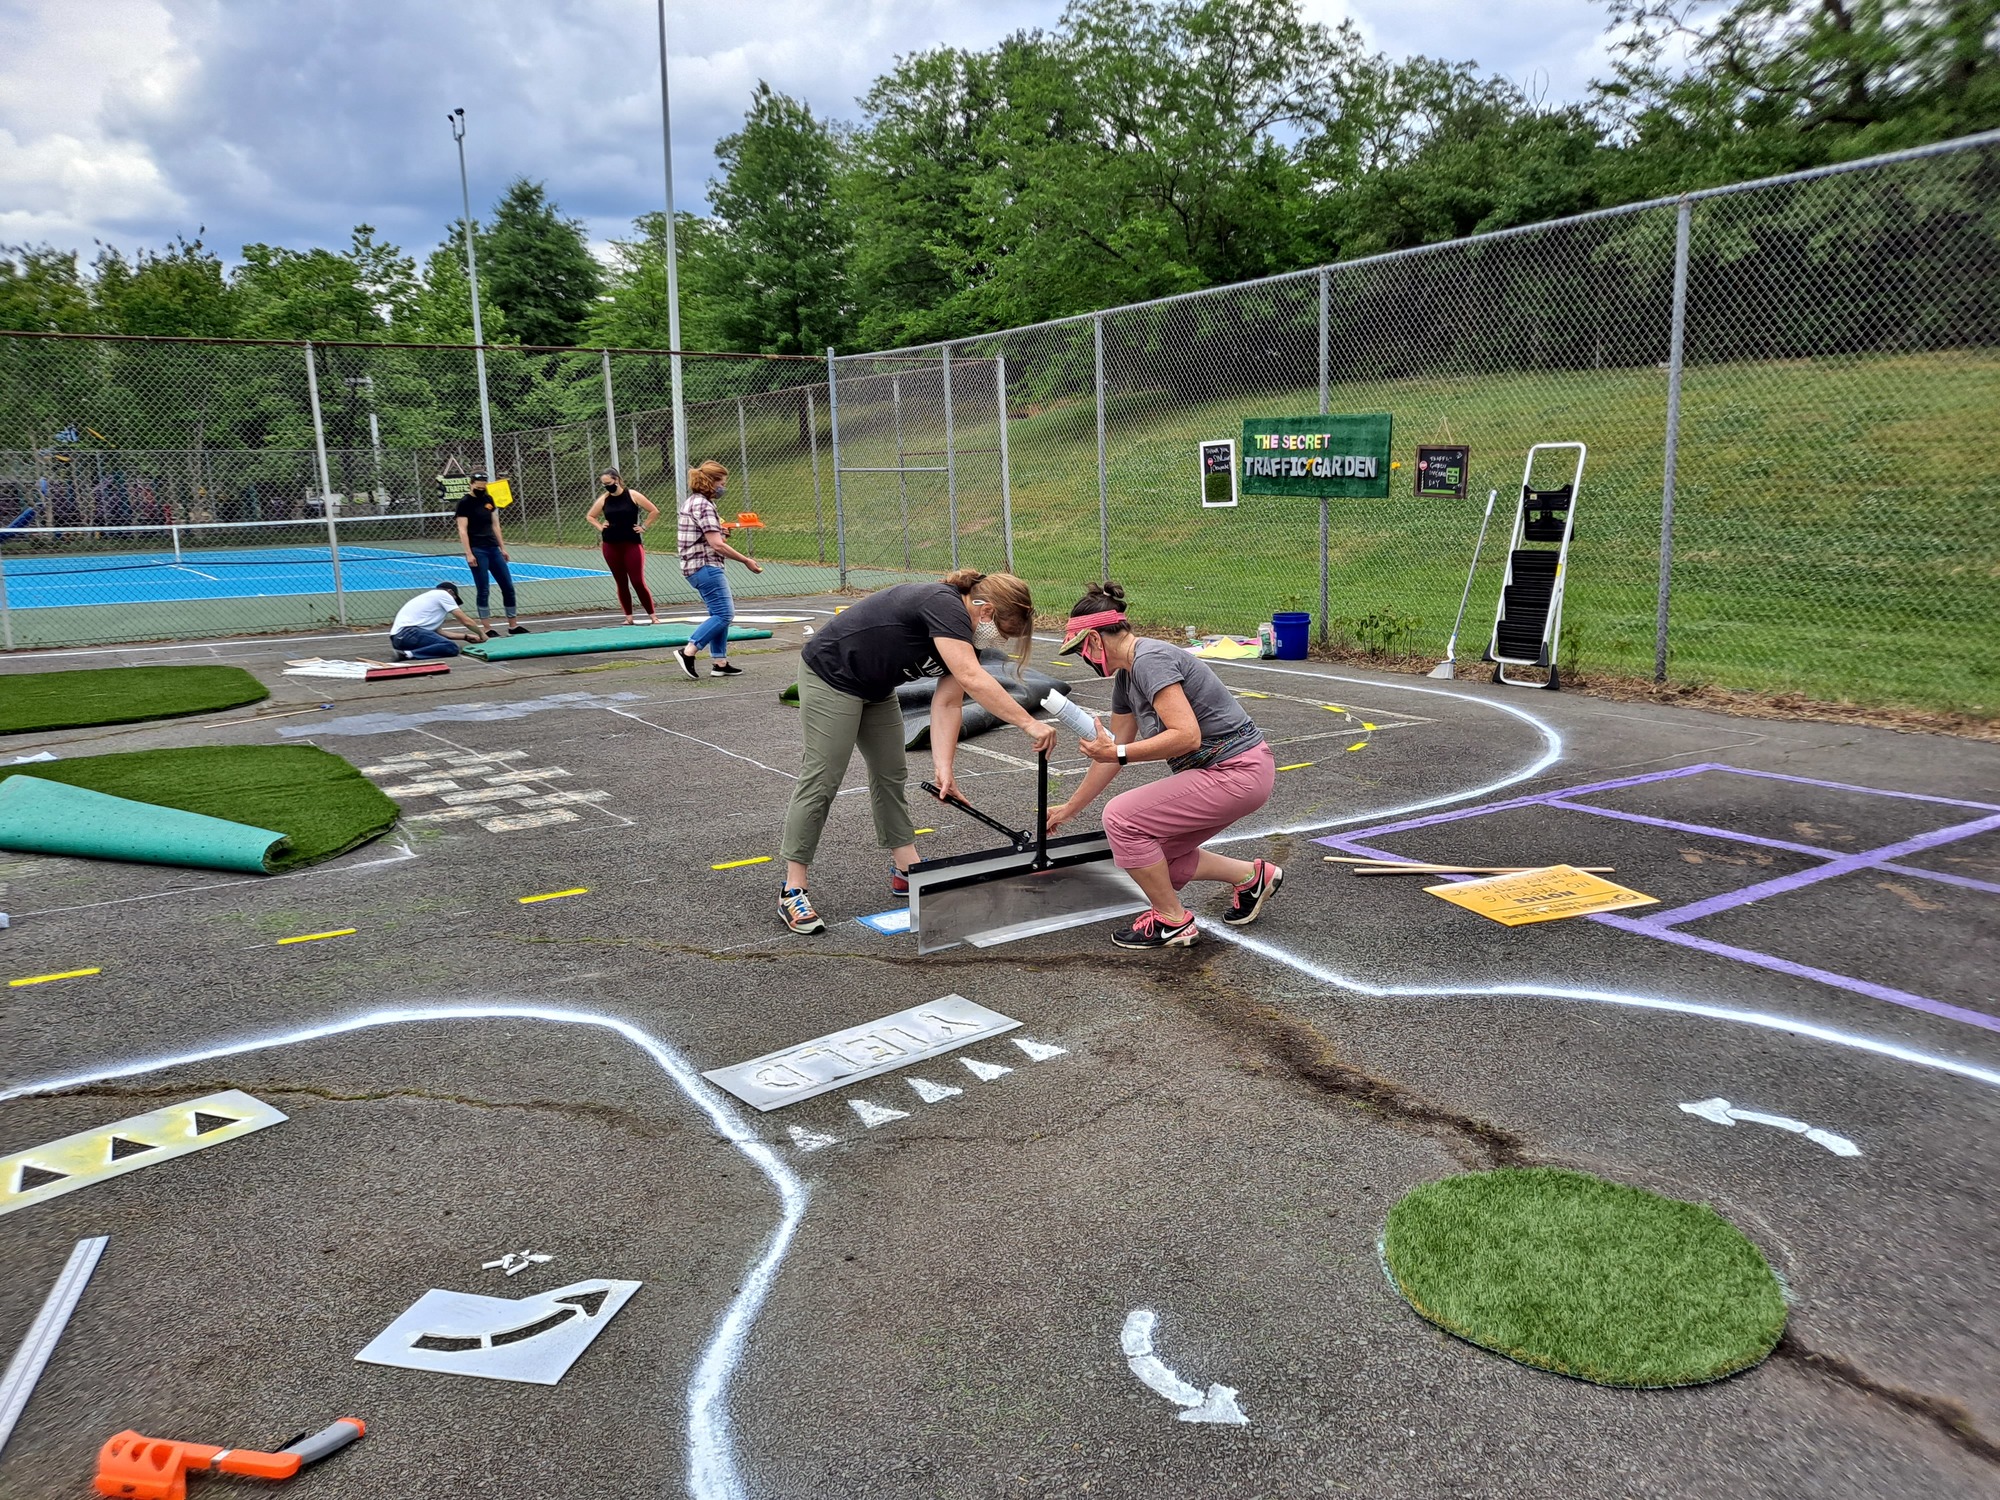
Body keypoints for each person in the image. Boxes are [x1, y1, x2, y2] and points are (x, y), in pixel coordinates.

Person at [778, 569, 1059, 934]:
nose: (1000, 641)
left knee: (891, 774)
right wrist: (1029, 723)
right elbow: (974, 678)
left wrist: (945, 768)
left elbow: (948, 704)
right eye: (1004, 632)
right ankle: (793, 888)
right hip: (831, 675)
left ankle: (906, 869)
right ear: (987, 612)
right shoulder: (942, 605)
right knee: (823, 777)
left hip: (876, 687)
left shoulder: (966, 633)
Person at [1047, 582, 1282, 949]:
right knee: (1156, 861)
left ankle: (1173, 921)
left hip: (1236, 771)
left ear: (1093, 639)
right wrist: (1070, 808)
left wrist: (1117, 753)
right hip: (1227, 772)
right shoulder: (1127, 677)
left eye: (1080, 651)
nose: (1084, 659)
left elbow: (1185, 736)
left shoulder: (1149, 660)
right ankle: (1252, 877)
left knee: (1122, 819)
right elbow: (1116, 749)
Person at [675, 460, 762, 679]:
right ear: (711, 482)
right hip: (705, 566)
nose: (723, 487)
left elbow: (709, 537)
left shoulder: (693, 502)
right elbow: (716, 544)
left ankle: (720, 662)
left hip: (695, 565)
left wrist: (720, 533)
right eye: (721, 482)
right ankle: (689, 651)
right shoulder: (704, 505)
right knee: (725, 614)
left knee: (718, 613)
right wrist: (746, 561)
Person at [456, 473, 529, 637]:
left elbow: (495, 525)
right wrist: (469, 552)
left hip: (493, 548)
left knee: (508, 587)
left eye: (484, 486)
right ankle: (487, 628)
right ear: (472, 484)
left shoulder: (488, 500)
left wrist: (502, 548)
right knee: (483, 589)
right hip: (477, 549)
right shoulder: (465, 503)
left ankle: (513, 625)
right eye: (479, 486)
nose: (482, 489)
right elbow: (462, 529)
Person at [586, 470, 661, 624]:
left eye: (609, 483)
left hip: (631, 543)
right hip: (611, 545)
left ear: (617, 480)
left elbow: (654, 511)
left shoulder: (632, 495)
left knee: (637, 581)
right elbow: (590, 516)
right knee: (621, 581)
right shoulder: (604, 499)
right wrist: (601, 527)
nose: (607, 487)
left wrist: (644, 527)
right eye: (604, 484)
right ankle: (628, 617)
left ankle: (653, 616)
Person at [389, 580, 488, 660]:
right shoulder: (443, 594)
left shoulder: (429, 600)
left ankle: (405, 652)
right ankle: (408, 655)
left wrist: (465, 637)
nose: (454, 602)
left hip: (398, 640)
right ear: (450, 592)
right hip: (409, 633)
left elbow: (440, 632)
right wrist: (481, 634)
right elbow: (465, 621)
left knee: (442, 645)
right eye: (454, 599)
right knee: (451, 647)